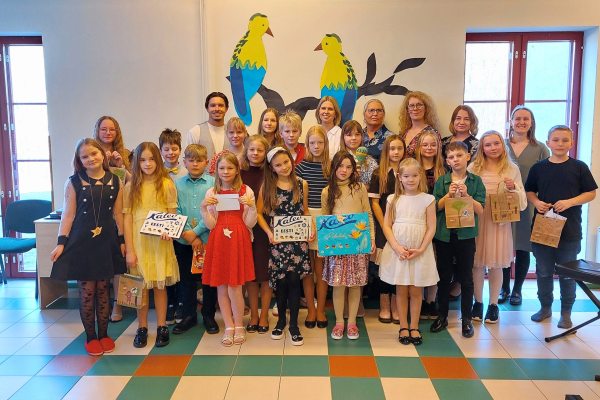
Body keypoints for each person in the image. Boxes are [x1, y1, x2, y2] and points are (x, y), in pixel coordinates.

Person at [50, 138, 126, 356]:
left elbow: (118, 214)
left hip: (106, 242)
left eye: (94, 154)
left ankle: (104, 335)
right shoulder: (73, 182)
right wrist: (61, 243)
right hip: (82, 243)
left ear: (102, 154)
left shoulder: (116, 180)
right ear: (79, 160)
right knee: (87, 292)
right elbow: (68, 215)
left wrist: (122, 241)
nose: (90, 159)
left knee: (103, 289)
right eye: (84, 156)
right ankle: (90, 338)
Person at [525, 125, 597, 329]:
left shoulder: (579, 167)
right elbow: (529, 191)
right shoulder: (538, 168)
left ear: (571, 143)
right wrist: (536, 202)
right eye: (555, 140)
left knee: (567, 274)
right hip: (543, 229)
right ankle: (545, 308)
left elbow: (591, 193)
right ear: (548, 143)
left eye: (565, 140)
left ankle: (566, 313)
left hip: (570, 230)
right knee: (543, 271)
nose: (560, 144)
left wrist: (570, 202)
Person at [123, 142, 180, 348]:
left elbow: (172, 214)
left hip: (159, 243)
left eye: (152, 159)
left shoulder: (166, 184)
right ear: (136, 163)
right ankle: (142, 327)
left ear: (158, 160)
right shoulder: (130, 187)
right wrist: (130, 250)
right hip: (139, 243)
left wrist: (169, 232)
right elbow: (127, 219)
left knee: (159, 285)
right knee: (140, 287)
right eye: (142, 160)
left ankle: (162, 326)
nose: (147, 164)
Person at [467, 131, 527, 324]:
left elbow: (522, 200)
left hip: (499, 222)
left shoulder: (511, 168)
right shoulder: (474, 167)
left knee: (496, 264)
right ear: (482, 148)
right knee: (476, 263)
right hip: (478, 219)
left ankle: (493, 305)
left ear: (503, 145)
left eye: (496, 143)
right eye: (488, 145)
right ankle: (477, 302)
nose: (492, 148)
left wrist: (513, 188)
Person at [258, 147, 314, 345]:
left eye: (286, 162)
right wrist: (269, 233)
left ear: (292, 160)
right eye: (278, 165)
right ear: (271, 168)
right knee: (280, 283)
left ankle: (294, 325)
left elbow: (305, 211)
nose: (283, 167)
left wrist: (310, 228)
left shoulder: (301, 184)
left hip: (298, 242)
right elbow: (259, 213)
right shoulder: (267, 187)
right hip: (279, 243)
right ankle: (281, 321)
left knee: (294, 282)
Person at [201, 152, 257, 346]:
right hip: (219, 239)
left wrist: (252, 207)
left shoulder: (246, 190)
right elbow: (210, 224)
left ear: (237, 170)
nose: (226, 172)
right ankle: (228, 326)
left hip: (238, 239)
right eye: (222, 168)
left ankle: (239, 324)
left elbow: (249, 223)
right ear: (216, 170)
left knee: (235, 286)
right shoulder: (211, 192)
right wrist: (203, 208)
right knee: (222, 286)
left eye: (230, 168)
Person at [379, 158, 438, 346]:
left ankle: (414, 326)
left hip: (419, 251)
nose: (410, 180)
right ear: (399, 177)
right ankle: (403, 326)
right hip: (399, 252)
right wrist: (397, 247)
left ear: (420, 176)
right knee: (402, 289)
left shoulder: (428, 199)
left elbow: (431, 227)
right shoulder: (393, 199)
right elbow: (387, 225)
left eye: (414, 176)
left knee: (416, 290)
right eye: (406, 176)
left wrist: (421, 249)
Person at [431, 141, 485, 338]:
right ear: (447, 161)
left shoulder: (476, 181)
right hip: (444, 235)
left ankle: (467, 319)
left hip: (466, 235)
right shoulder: (442, 181)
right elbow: (435, 207)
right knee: (444, 277)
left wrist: (466, 195)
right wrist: (448, 195)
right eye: (451, 157)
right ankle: (442, 315)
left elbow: (480, 210)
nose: (456, 160)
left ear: (468, 157)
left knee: (466, 278)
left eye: (459, 156)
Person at [322, 151, 375, 340]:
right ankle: (339, 322)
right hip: (337, 246)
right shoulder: (327, 191)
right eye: (340, 166)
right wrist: (325, 244)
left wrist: (371, 239)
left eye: (348, 167)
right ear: (333, 168)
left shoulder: (359, 188)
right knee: (338, 284)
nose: (344, 170)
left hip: (358, 243)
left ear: (354, 169)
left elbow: (368, 213)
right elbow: (325, 219)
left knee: (355, 285)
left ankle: (351, 321)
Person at [501, 106, 550, 305]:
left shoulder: (540, 149)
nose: (521, 122)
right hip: (504, 202)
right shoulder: (501, 144)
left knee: (523, 247)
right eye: (518, 118)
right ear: (511, 122)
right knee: (504, 246)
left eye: (526, 119)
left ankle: (517, 290)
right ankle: (503, 288)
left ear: (531, 123)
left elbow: (546, 177)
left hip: (529, 203)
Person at [172, 144, 217, 335]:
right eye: (191, 160)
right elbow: (174, 210)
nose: (195, 164)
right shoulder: (176, 184)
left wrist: (197, 232)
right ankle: (189, 315)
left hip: (208, 239)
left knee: (209, 280)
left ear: (207, 162)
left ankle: (209, 315)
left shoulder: (214, 184)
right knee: (186, 279)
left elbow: (214, 211)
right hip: (184, 241)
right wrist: (189, 235)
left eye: (199, 160)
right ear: (184, 162)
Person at [93, 116, 131, 322]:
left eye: (112, 129)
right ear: (97, 131)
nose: (108, 133)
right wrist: (102, 163)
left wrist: (120, 166)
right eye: (104, 129)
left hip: (120, 211)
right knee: (99, 259)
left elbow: (132, 182)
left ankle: (118, 304)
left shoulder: (125, 154)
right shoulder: (90, 152)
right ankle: (102, 302)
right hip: (97, 212)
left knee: (118, 258)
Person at [296, 126, 331, 328]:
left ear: (326, 144)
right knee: (307, 269)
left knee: (321, 268)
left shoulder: (331, 167)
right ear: (307, 144)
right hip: (306, 218)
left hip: (325, 219)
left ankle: (321, 310)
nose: (316, 146)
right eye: (312, 143)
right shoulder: (301, 168)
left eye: (320, 142)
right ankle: (310, 309)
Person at [368, 135, 405, 324]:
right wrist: (384, 224)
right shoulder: (378, 173)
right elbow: (375, 202)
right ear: (386, 151)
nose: (396, 152)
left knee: (400, 264)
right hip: (384, 226)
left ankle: (396, 305)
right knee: (385, 266)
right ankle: (384, 306)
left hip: (404, 226)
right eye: (392, 148)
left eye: (399, 148)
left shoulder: (408, 172)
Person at [240, 135, 272, 333]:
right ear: (246, 151)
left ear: (266, 152)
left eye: (260, 150)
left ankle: (264, 315)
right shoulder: (240, 173)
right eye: (252, 149)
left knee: (266, 273)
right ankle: (253, 315)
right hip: (246, 226)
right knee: (251, 274)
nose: (255, 153)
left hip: (267, 227)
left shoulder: (271, 172)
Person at [414, 131, 445, 319]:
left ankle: (431, 301)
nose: (429, 148)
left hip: (438, 221)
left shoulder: (443, 169)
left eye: (433, 144)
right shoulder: (413, 168)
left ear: (438, 147)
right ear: (419, 147)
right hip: (417, 221)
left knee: (435, 260)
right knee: (420, 259)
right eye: (425, 144)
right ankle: (418, 299)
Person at [160, 128, 188, 326]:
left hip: (182, 227)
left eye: (174, 149)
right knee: (167, 267)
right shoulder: (156, 173)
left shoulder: (186, 171)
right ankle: (170, 302)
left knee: (181, 266)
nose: (171, 153)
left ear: (180, 149)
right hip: (163, 228)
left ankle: (181, 303)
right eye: (166, 149)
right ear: (161, 151)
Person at [187, 92, 230, 161]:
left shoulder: (234, 133)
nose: (217, 109)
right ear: (207, 109)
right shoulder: (196, 132)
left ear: (226, 109)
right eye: (213, 105)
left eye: (221, 105)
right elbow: (189, 161)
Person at [398, 91, 442, 158]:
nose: (415, 109)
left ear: (425, 108)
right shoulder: (403, 133)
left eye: (419, 105)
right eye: (411, 106)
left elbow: (437, 159)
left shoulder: (432, 132)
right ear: (407, 110)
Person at [340, 120, 379, 190]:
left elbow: (376, 186)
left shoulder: (371, 162)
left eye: (357, 134)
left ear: (362, 136)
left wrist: (365, 187)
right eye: (349, 135)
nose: (354, 138)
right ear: (343, 137)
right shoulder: (338, 159)